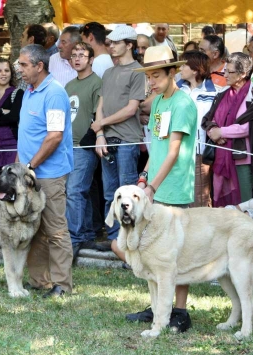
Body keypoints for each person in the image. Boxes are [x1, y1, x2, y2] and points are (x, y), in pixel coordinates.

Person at [125, 45, 198, 332]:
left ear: (173, 72)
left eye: (156, 76)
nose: (151, 82)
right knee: (153, 250)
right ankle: (158, 307)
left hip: (174, 189)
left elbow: (174, 151)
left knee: (174, 253)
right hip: (152, 189)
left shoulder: (183, 104)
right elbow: (157, 148)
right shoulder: (157, 103)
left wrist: (153, 186)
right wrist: (144, 176)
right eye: (148, 76)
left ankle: (179, 311)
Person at [17, 44, 74, 298]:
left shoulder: (54, 93)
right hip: (29, 172)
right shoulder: (29, 91)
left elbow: (54, 137)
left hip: (48, 174)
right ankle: (40, 281)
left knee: (55, 229)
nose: (19, 70)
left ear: (39, 66)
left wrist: (31, 166)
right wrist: (21, 168)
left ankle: (62, 284)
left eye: (24, 65)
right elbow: (27, 135)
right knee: (35, 228)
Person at [90, 25, 145, 251]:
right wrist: (100, 135)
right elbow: (100, 107)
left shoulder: (137, 71)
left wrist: (100, 124)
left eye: (115, 42)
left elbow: (132, 109)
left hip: (127, 141)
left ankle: (131, 241)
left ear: (129, 45)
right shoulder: (109, 72)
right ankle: (114, 240)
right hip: (108, 140)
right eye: (110, 42)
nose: (110, 45)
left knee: (127, 196)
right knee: (109, 193)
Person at [203, 52, 253, 206]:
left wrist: (222, 132)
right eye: (224, 70)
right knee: (223, 207)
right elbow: (208, 120)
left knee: (245, 203)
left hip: (243, 157)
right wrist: (213, 132)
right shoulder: (223, 94)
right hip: (221, 155)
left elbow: (250, 127)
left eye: (229, 72)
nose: (225, 75)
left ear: (243, 73)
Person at [64, 42, 102, 259]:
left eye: (82, 55)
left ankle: (75, 237)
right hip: (68, 146)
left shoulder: (97, 83)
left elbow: (100, 114)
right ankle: (86, 232)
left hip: (84, 146)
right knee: (81, 192)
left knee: (75, 190)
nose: (77, 58)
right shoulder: (68, 86)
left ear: (91, 59)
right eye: (74, 55)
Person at [177, 50, 217, 207]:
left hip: (199, 152)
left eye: (183, 66)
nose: (180, 69)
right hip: (177, 150)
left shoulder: (214, 92)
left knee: (200, 198)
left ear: (195, 69)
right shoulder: (178, 89)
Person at [13, 24, 47, 91]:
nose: (20, 40)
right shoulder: (47, 60)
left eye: (23, 37)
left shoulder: (19, 65)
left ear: (31, 40)